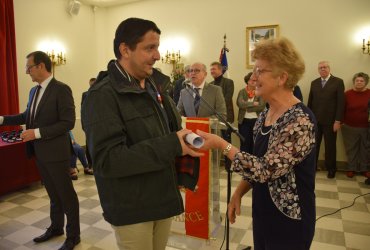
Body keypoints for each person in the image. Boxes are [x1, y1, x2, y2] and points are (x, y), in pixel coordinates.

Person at [81, 18, 202, 250]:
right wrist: (173, 145)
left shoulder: (154, 87)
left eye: (158, 47)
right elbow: (108, 161)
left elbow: (167, 132)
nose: (158, 55)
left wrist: (185, 141)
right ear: (125, 50)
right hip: (132, 206)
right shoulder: (102, 96)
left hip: (162, 195)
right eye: (150, 48)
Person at [196, 37, 317, 250]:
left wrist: (222, 144)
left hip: (290, 219)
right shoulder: (265, 114)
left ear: (282, 77)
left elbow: (265, 170)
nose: (253, 77)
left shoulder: (299, 120)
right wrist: (239, 192)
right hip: (263, 212)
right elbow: (256, 161)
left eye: (260, 71)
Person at [0, 51, 80, 250]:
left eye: (29, 67)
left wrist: (36, 133)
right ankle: (56, 227)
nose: (27, 71)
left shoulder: (61, 89)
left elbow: (67, 122)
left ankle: (73, 236)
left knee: (66, 195)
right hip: (40, 154)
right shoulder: (34, 91)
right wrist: (2, 119)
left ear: (41, 66)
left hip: (57, 154)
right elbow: (27, 116)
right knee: (53, 194)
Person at [307, 60, 345, 178]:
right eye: (320, 68)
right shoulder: (314, 83)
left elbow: (341, 103)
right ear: (318, 70)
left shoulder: (338, 82)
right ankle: (312, 167)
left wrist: (338, 121)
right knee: (314, 146)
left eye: (325, 67)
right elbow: (310, 102)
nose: (323, 69)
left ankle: (331, 169)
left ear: (329, 69)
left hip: (331, 122)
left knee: (330, 147)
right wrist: (309, 120)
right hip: (315, 121)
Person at [341, 72, 370, 178]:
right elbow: (341, 109)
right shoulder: (347, 94)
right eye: (357, 80)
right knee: (351, 149)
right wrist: (341, 121)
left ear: (366, 82)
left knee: (365, 149)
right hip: (349, 126)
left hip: (366, 127)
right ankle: (351, 168)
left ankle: (365, 169)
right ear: (354, 82)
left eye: (361, 81)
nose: (359, 82)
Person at [236, 72, 265, 153]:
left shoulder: (260, 92)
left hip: (257, 120)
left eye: (255, 80)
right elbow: (240, 104)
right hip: (243, 121)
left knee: (255, 142)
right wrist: (253, 104)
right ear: (247, 81)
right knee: (244, 142)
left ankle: (253, 162)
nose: (253, 82)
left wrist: (248, 108)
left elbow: (261, 106)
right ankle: (244, 162)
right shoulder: (242, 91)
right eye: (251, 80)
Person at [81, 77, 96, 170]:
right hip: (88, 124)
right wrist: (83, 125)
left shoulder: (101, 93)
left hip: (98, 124)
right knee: (88, 145)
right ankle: (90, 164)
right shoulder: (85, 94)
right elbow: (82, 111)